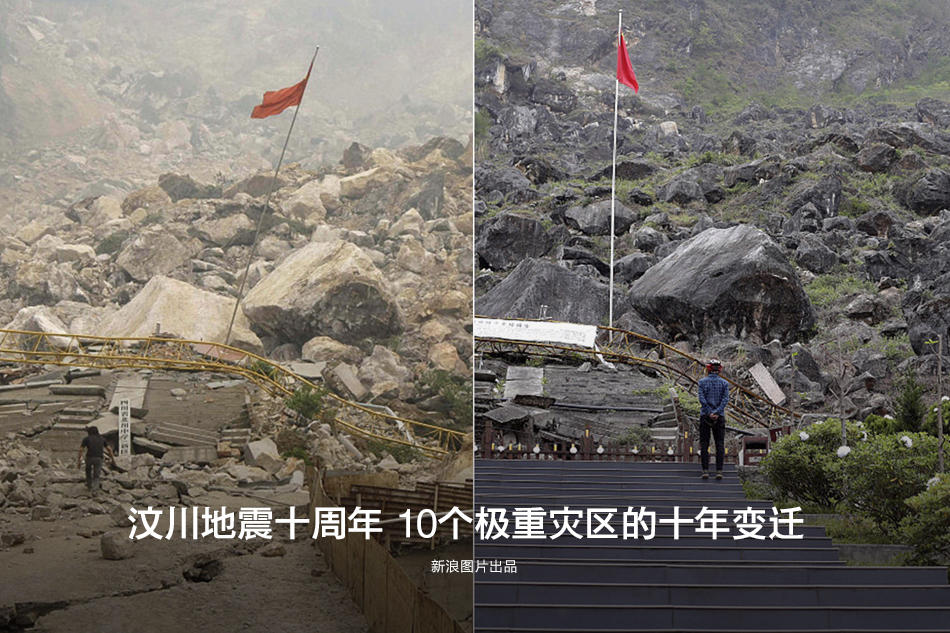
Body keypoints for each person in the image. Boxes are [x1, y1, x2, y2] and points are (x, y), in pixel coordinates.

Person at [697, 359, 729, 480]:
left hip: (705, 415)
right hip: (719, 416)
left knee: (704, 444)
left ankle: (705, 470)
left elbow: (701, 399)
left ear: (708, 369)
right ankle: (719, 471)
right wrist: (717, 412)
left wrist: (710, 412)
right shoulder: (724, 383)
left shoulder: (702, 382)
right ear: (719, 369)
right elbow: (725, 399)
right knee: (719, 444)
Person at [77, 426, 114, 491]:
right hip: (99, 458)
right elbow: (109, 449)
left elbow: (80, 450)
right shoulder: (102, 439)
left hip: (89, 458)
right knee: (96, 475)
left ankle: (89, 485)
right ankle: (95, 489)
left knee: (88, 472)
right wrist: (112, 459)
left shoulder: (86, 439)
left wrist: (79, 461)